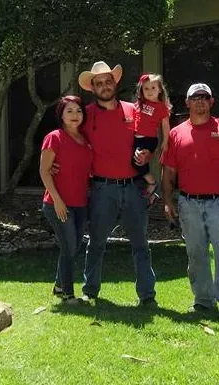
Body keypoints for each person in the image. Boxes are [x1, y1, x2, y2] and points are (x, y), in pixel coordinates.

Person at [161, 83, 219, 320]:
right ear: (187, 103)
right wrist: (168, 201)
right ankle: (203, 301)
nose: (200, 101)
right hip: (188, 203)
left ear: (211, 102)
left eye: (204, 97)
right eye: (195, 97)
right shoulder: (176, 134)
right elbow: (168, 171)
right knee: (196, 253)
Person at [77, 61, 157, 306]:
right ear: (93, 88)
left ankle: (147, 296)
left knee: (141, 244)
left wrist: (147, 156)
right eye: (99, 83)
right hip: (102, 189)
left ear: (115, 82)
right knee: (97, 243)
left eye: (108, 81)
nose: (104, 86)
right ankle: (90, 290)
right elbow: (70, 140)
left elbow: (148, 141)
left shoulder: (134, 110)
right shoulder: (85, 114)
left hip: (134, 187)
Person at [39, 95, 93, 304]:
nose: (75, 115)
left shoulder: (85, 140)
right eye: (69, 111)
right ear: (61, 115)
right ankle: (68, 295)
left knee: (73, 247)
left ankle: (60, 285)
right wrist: (58, 201)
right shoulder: (54, 137)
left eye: (78, 111)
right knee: (69, 248)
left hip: (80, 203)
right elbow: (44, 171)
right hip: (57, 204)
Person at [133, 73, 171, 203]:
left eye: (153, 88)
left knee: (137, 162)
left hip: (148, 139)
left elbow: (165, 125)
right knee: (134, 163)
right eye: (146, 88)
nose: (149, 91)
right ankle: (151, 196)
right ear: (141, 90)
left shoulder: (161, 107)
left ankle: (152, 183)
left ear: (160, 89)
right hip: (136, 138)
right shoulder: (139, 104)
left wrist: (165, 141)